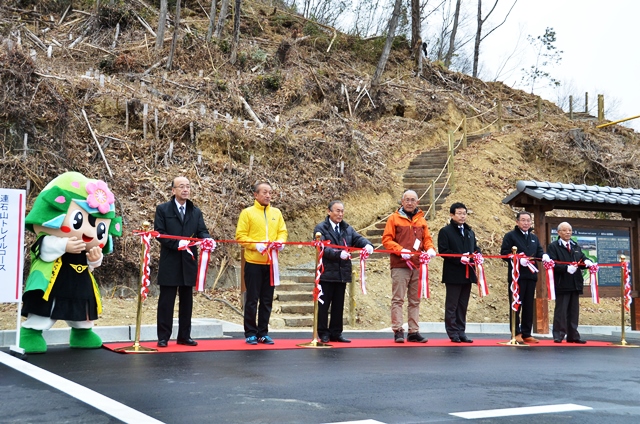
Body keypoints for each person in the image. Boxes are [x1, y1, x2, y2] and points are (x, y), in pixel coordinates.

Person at [154, 176, 212, 348]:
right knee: (166, 301)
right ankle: (163, 336)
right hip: (170, 260)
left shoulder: (195, 211)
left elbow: (202, 231)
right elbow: (160, 233)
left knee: (187, 301)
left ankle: (184, 336)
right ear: (173, 190)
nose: (185, 189)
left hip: (188, 260)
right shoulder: (163, 209)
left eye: (188, 186)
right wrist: (176, 244)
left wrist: (208, 240)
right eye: (181, 187)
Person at [313, 201, 374, 343]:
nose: (340, 214)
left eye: (342, 211)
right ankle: (323, 332)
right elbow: (321, 248)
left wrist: (367, 245)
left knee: (338, 304)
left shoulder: (346, 228)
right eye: (337, 211)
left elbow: (357, 238)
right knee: (324, 304)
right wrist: (337, 254)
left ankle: (336, 332)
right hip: (326, 272)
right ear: (329, 211)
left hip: (342, 273)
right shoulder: (321, 228)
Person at [236, 182, 288, 345]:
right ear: (255, 195)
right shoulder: (247, 213)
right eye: (264, 192)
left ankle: (263, 332)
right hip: (253, 262)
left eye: (270, 193)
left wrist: (280, 242)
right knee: (252, 298)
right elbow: (240, 236)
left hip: (271, 263)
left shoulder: (276, 213)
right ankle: (250, 332)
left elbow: (282, 231)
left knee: (267, 299)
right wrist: (255, 245)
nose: (267, 195)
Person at [382, 190, 437, 343]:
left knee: (415, 300)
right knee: (398, 299)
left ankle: (413, 331)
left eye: (413, 200)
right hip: (400, 264)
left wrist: (430, 248)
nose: (410, 202)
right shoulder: (394, 218)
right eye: (407, 199)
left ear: (417, 202)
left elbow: (426, 238)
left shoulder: (421, 220)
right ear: (402, 201)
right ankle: (398, 329)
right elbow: (386, 240)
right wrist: (400, 251)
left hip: (417, 265)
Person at [500, 212, 550, 344]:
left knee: (528, 306)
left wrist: (544, 256)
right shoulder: (510, 236)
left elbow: (539, 251)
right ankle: (516, 332)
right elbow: (504, 253)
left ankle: (527, 333)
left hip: (531, 276)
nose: (526, 223)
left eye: (528, 220)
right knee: (516, 304)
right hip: (517, 277)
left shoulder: (533, 237)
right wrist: (517, 259)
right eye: (523, 220)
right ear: (517, 222)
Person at [437, 202, 480, 343]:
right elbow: (443, 251)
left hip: (468, 273)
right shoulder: (445, 231)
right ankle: (452, 332)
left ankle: (461, 331)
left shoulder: (469, 232)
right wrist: (459, 257)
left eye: (464, 213)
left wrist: (477, 255)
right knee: (452, 305)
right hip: (453, 273)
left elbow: (475, 248)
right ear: (452, 215)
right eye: (459, 213)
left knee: (463, 304)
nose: (462, 216)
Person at [547, 222, 592, 344]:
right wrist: (566, 268)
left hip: (575, 282)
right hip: (562, 282)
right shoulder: (554, 246)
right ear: (559, 232)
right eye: (565, 230)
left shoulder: (575, 246)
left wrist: (588, 262)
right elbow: (552, 264)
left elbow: (582, 258)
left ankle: (573, 335)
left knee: (573, 311)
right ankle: (559, 335)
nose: (568, 232)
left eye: (570, 230)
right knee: (561, 311)